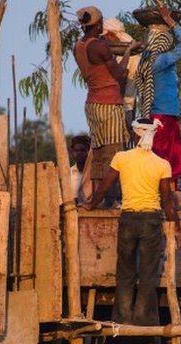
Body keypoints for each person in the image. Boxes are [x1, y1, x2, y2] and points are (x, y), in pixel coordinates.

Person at [85, 118, 181, 325]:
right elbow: (167, 202)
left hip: (128, 218)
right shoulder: (162, 164)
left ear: (135, 134)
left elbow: (104, 188)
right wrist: (177, 229)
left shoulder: (122, 158)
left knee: (125, 271)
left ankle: (122, 318)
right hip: (151, 220)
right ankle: (143, 319)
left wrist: (90, 205)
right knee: (148, 273)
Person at [73, 6, 139, 209]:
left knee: (99, 153)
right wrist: (128, 51)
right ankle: (110, 199)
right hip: (108, 103)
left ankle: (94, 197)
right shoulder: (99, 47)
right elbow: (119, 73)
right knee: (114, 153)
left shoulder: (78, 46)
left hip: (92, 103)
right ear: (99, 24)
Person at [133, 6, 181, 187]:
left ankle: (166, 192)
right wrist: (170, 21)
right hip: (164, 114)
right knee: (167, 158)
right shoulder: (161, 60)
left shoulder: (146, 58)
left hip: (156, 114)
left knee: (161, 155)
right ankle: (169, 194)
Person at [101, 18, 140, 133]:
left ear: (112, 35)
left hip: (120, 107)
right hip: (128, 104)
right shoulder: (130, 49)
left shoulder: (126, 52)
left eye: (106, 36)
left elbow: (121, 79)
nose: (104, 39)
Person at [69, 134, 92, 204]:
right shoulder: (67, 174)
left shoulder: (95, 173)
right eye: (76, 150)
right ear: (72, 152)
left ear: (88, 152)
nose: (79, 153)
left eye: (82, 150)